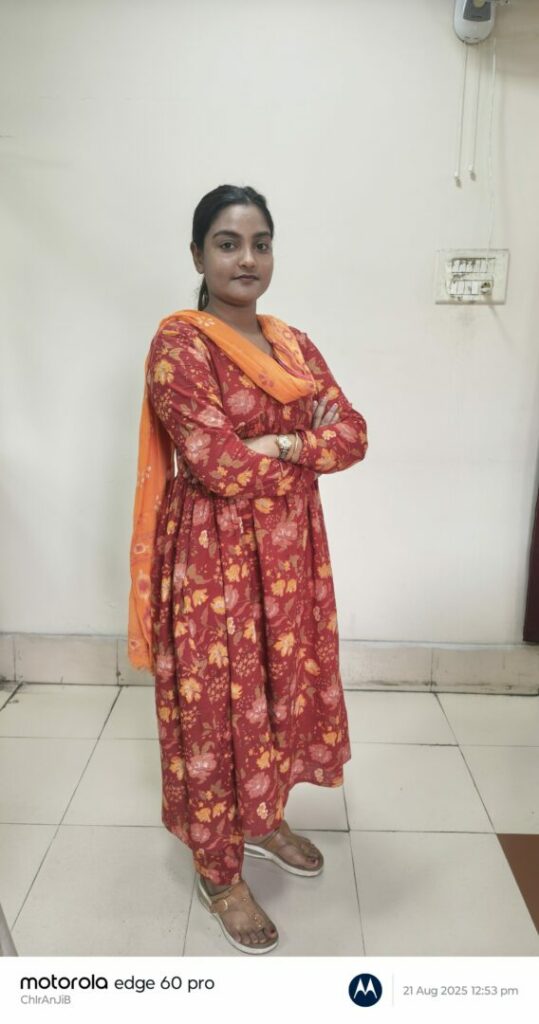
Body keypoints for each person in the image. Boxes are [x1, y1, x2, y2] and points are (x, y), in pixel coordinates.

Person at [128, 184, 368, 955]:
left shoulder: (290, 344)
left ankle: (261, 819)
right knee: (216, 710)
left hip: (290, 562)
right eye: (227, 243)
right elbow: (218, 465)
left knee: (275, 690)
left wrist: (287, 446)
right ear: (197, 254)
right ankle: (217, 866)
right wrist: (294, 446)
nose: (247, 258)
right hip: (213, 564)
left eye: (260, 242)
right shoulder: (180, 345)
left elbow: (353, 434)